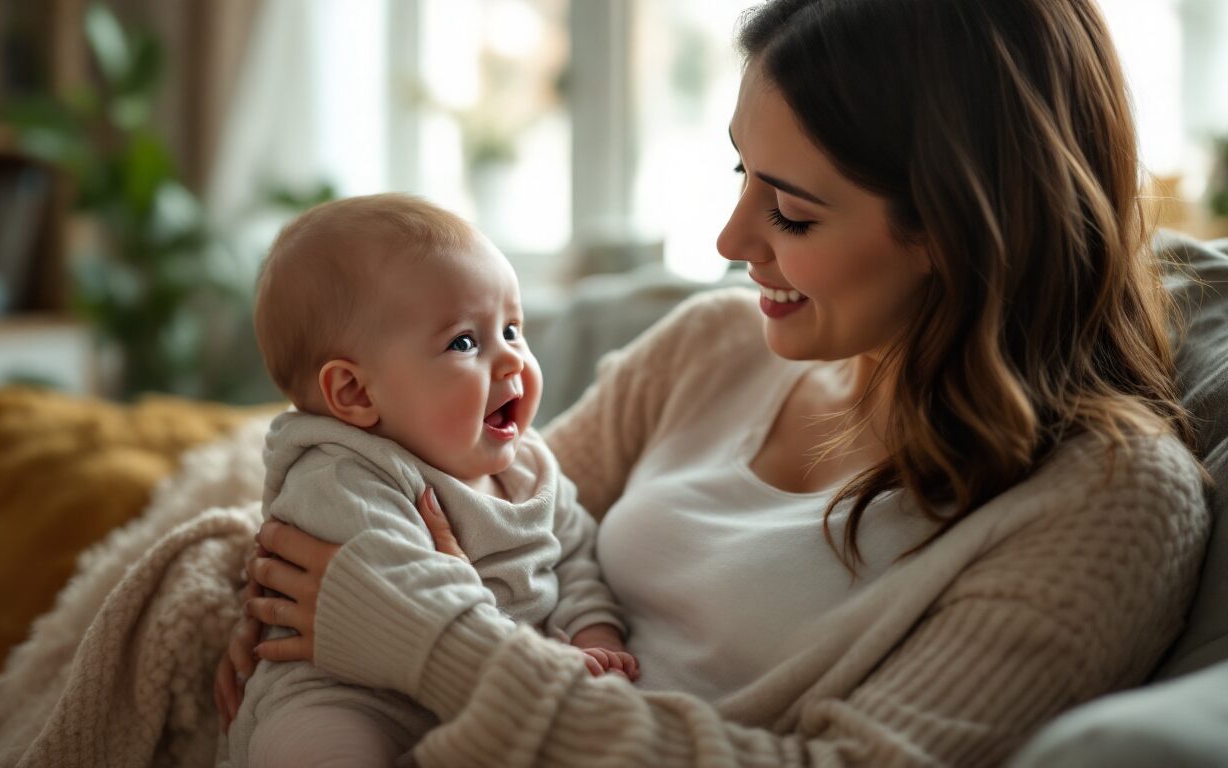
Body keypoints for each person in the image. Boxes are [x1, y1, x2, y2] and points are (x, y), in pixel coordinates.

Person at [215, 0, 1211, 764]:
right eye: (741, 175)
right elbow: (470, 505)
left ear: (957, 228)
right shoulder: (712, 349)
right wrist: (273, 605)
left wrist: (427, 643)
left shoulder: (1111, 502)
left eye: (791, 212)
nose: (731, 242)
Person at [225, 194, 635, 768]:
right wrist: (532, 660)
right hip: (352, 696)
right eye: (465, 342)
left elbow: (576, 559)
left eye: (513, 330)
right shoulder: (343, 475)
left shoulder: (532, 468)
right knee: (319, 745)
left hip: (492, 692)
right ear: (355, 394)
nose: (511, 360)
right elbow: (398, 593)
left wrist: (596, 635)